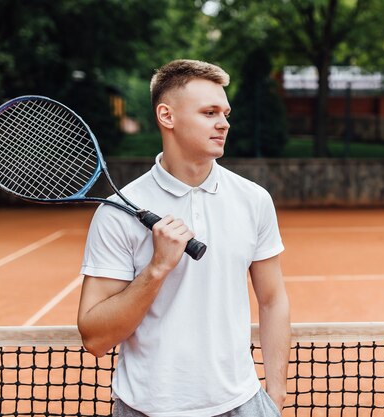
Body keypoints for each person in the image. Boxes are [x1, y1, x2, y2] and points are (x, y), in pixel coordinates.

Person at [77, 59, 290, 417]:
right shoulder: (116, 214)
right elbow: (96, 338)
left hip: (243, 403)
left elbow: (272, 299)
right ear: (167, 116)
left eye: (225, 112)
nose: (224, 123)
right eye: (209, 112)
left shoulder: (254, 200)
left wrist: (276, 395)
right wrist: (157, 268)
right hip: (147, 408)